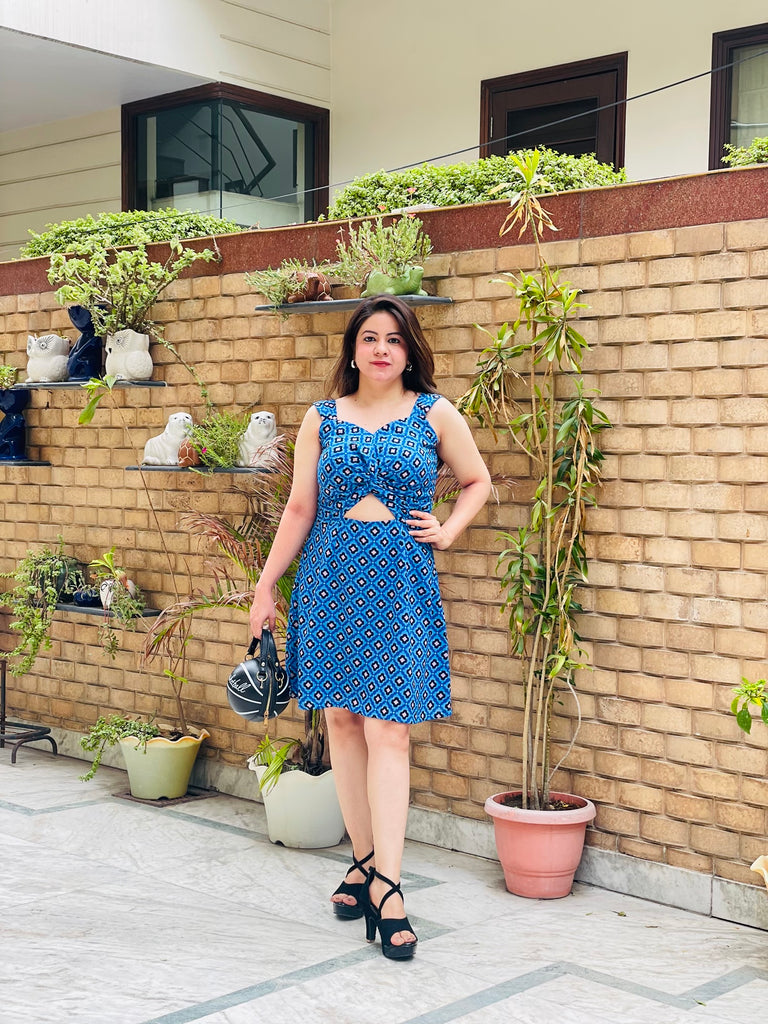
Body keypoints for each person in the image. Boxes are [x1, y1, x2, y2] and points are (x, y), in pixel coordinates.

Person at [249, 294, 491, 960]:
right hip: (330, 578)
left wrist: (449, 529)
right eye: (370, 338)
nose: (382, 349)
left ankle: (388, 885)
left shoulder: (434, 412)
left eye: (394, 339)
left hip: (401, 583)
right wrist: (266, 586)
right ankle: (362, 862)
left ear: (409, 351)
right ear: (353, 351)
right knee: (342, 722)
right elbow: (299, 508)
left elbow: (477, 481)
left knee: (391, 729)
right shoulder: (321, 418)